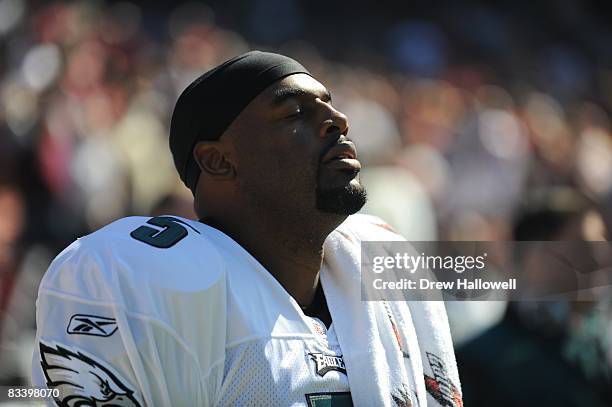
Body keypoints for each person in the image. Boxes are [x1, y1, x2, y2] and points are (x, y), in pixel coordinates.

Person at [31, 51, 461, 406]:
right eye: (294, 112)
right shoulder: (141, 277)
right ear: (218, 160)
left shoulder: (381, 262)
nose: (338, 120)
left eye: (330, 104)